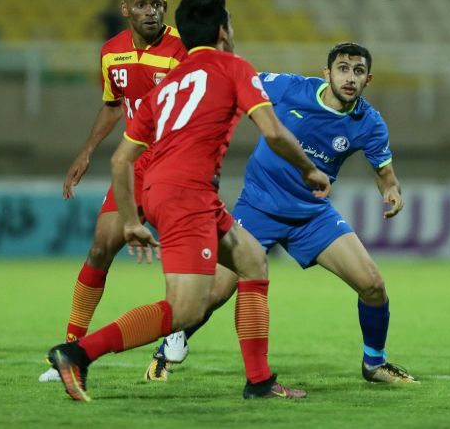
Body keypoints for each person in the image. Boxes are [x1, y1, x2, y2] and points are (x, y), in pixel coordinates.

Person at [46, 0, 331, 402]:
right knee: (185, 310)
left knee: (252, 261)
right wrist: (309, 169)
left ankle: (259, 382)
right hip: (187, 195)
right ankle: (78, 354)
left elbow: (121, 160)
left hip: (166, 188)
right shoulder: (234, 67)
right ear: (223, 31)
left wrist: (132, 219)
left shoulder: (166, 86)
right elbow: (273, 131)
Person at [146, 42, 417, 384]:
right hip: (258, 207)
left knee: (373, 285)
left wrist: (391, 192)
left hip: (312, 215)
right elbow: (234, 82)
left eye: (358, 71)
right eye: (343, 69)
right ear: (327, 73)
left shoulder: (370, 123)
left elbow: (386, 176)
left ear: (368, 79)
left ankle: (374, 364)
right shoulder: (291, 88)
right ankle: (168, 348)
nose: (350, 78)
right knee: (211, 294)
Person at [39, 0, 187, 382]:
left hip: (177, 164)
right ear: (125, 10)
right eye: (141, 4)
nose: (151, 11)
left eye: (157, 4)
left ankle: (181, 325)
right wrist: (87, 150)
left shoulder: (183, 49)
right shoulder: (111, 53)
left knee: (187, 256)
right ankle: (70, 350)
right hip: (136, 164)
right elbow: (113, 105)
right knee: (100, 248)